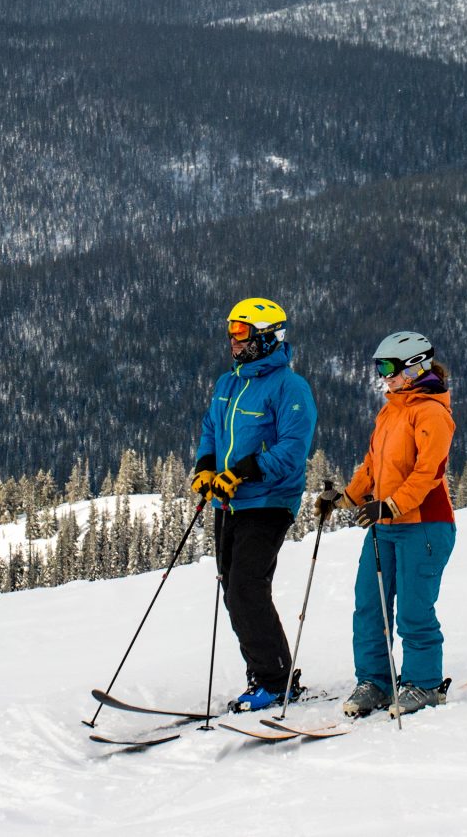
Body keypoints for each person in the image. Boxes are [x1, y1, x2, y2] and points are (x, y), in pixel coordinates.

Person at [315, 329, 456, 719]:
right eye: (379, 367)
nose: (384, 376)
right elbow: (374, 465)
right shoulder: (392, 409)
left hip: (424, 525)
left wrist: (391, 505)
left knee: (414, 610)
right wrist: (346, 498)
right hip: (386, 525)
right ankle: (375, 682)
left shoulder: (431, 412)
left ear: (416, 366)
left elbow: (429, 472)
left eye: (390, 367)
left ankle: (424, 685)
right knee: (370, 608)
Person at [189, 295, 316, 714]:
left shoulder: (290, 388)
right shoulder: (229, 383)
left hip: (269, 500)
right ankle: (264, 672)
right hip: (228, 503)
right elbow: (211, 429)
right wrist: (206, 467)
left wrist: (242, 472)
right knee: (233, 588)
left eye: (241, 332)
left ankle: (277, 680)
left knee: (246, 585)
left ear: (266, 337)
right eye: (230, 331)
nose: (232, 340)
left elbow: (291, 452)